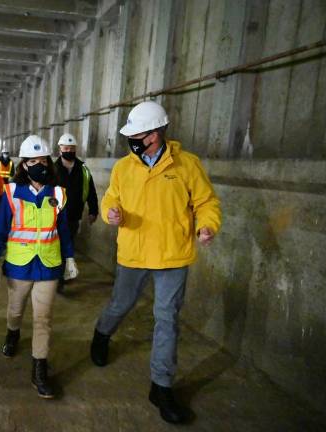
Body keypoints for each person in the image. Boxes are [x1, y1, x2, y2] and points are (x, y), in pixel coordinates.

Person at [89, 101, 221, 423]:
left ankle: (161, 386)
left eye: (142, 134)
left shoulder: (187, 165)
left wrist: (207, 225)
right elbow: (111, 198)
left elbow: (206, 202)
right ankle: (102, 333)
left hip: (172, 256)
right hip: (134, 253)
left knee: (167, 319)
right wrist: (111, 212)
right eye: (132, 134)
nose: (135, 140)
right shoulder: (123, 168)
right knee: (121, 305)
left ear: (159, 132)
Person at [0, 135, 79, 399]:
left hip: (49, 266)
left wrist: (69, 258)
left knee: (43, 320)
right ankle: (12, 333)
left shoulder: (58, 194)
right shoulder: (12, 193)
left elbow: (63, 231)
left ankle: (39, 370)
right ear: (24, 165)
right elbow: (0, 229)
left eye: (43, 160)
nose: (39, 165)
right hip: (19, 266)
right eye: (32, 161)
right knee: (15, 311)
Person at [54, 133, 99, 293]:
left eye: (72, 148)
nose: (69, 150)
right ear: (60, 149)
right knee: (55, 247)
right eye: (66, 148)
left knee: (67, 247)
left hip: (73, 216)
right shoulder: (52, 169)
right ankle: (57, 279)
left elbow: (91, 190)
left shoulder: (83, 169)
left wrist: (93, 210)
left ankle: (61, 277)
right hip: (54, 217)